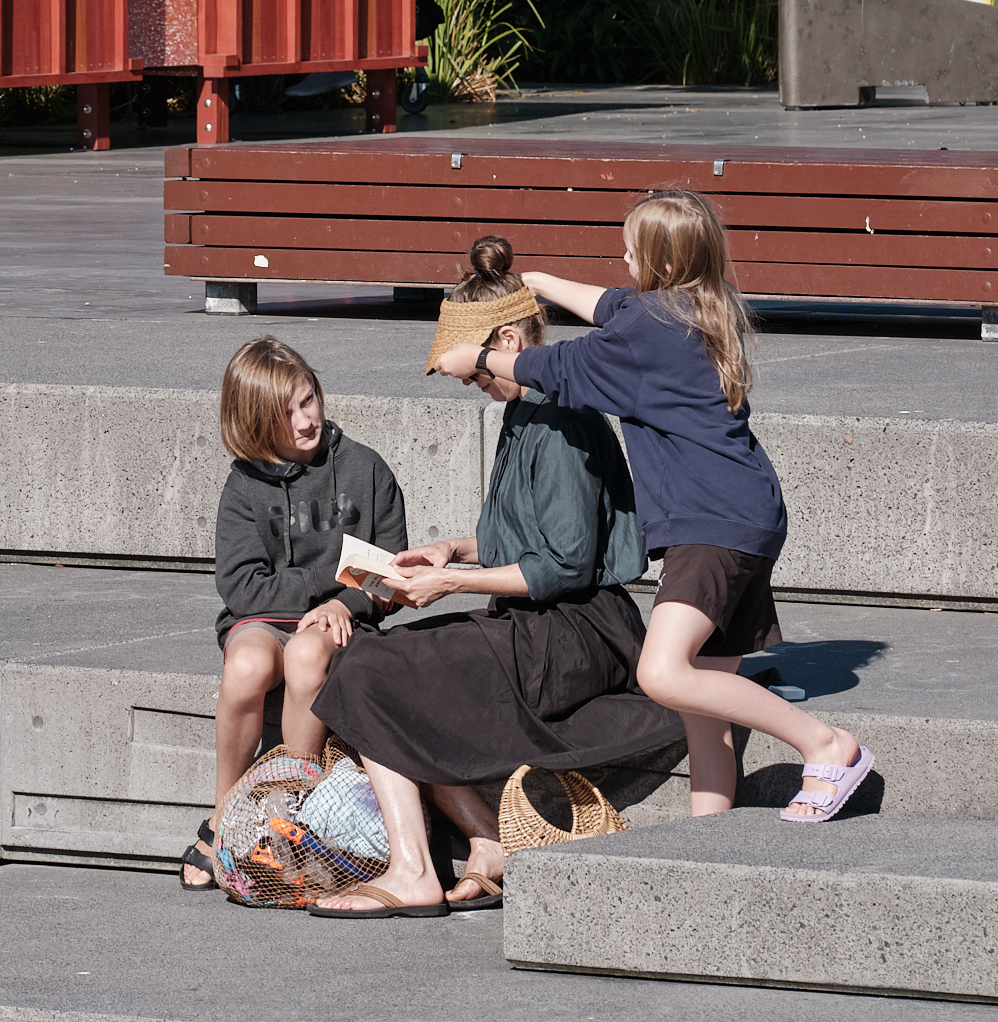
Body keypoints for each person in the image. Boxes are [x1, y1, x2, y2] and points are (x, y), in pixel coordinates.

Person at [437, 188, 872, 827]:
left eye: (630, 247)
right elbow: (608, 304)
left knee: (663, 675)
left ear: (660, 265)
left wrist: (476, 356)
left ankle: (825, 745)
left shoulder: (648, 330)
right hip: (743, 513)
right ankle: (709, 836)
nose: (621, 255)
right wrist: (535, 282)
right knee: (703, 712)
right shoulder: (694, 307)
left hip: (711, 525)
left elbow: (558, 365)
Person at [308, 236, 679, 919]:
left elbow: (564, 564)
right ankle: (483, 844)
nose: (476, 384)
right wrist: (452, 550)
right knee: (375, 664)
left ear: (507, 339)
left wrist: (452, 586)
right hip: (551, 623)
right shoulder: (528, 408)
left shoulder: (562, 418)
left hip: (577, 633)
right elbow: (534, 536)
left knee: (369, 671)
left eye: (477, 372)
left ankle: (414, 870)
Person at [181, 336, 407, 892]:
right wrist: (327, 581)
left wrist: (344, 601)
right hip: (261, 618)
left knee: (307, 656)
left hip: (340, 619)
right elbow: (240, 587)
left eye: (308, 400)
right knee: (248, 668)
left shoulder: (366, 470)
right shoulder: (244, 485)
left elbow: (388, 575)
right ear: (255, 422)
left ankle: (287, 811)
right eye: (284, 414)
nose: (304, 420)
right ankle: (224, 816)